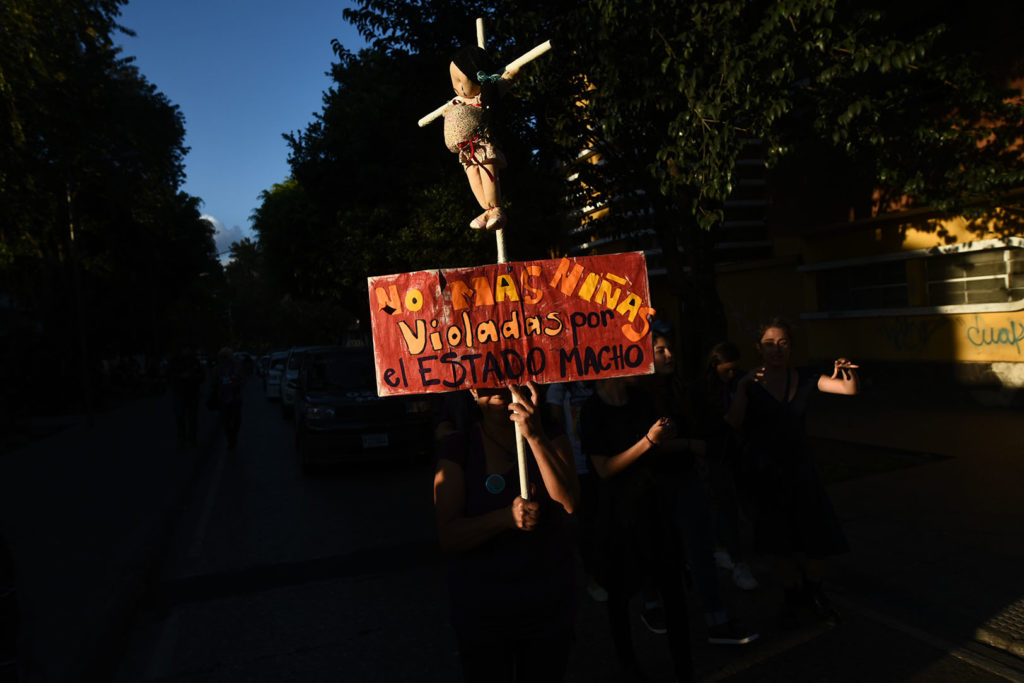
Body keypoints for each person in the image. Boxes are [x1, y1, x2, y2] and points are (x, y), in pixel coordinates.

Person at [433, 382, 578, 683]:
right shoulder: (458, 448)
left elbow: (569, 502)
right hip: (483, 609)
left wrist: (534, 435)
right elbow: (449, 535)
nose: (499, 387)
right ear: (472, 392)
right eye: (486, 379)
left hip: (547, 603)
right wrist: (504, 519)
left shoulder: (551, 436)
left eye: (509, 375)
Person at [725, 317, 860, 626]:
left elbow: (848, 390)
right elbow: (732, 422)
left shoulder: (807, 376)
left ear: (791, 348)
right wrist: (743, 389)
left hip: (802, 472)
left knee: (818, 540)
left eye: (783, 343)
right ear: (759, 348)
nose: (776, 349)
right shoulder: (749, 382)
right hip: (767, 475)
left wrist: (848, 370)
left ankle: (813, 592)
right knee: (779, 544)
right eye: (770, 344)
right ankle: (793, 597)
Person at [642, 331, 758, 645]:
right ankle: (652, 603)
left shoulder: (681, 389)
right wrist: (690, 444)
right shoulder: (640, 395)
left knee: (701, 549)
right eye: (660, 350)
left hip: (687, 477)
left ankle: (716, 620)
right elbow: (648, 446)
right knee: (659, 551)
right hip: (655, 483)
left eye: (670, 349)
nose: (669, 355)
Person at [580, 375, 693, 682]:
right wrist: (649, 441)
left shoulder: (641, 399)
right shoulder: (592, 409)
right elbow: (604, 469)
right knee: (620, 594)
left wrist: (671, 438)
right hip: (618, 514)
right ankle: (628, 665)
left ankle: (684, 666)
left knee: (673, 589)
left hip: (654, 506)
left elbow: (658, 447)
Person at [687, 341, 759, 591]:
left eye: (734, 370)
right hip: (714, 454)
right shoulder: (704, 390)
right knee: (724, 505)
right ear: (714, 365)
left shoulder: (733, 383)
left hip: (736, 453)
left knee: (738, 503)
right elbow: (728, 421)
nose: (731, 375)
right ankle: (735, 559)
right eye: (726, 370)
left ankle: (727, 549)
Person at [443, 46, 518, 231]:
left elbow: (504, 82)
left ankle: (496, 209)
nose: (456, 86)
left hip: (481, 143)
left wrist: (509, 77)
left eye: (460, 81)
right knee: (473, 178)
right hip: (465, 150)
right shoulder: (458, 101)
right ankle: (486, 210)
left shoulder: (484, 96)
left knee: (487, 174)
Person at [544, 381, 606, 602]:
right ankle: (593, 577)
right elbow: (556, 425)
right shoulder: (559, 388)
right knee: (587, 525)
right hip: (579, 463)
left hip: (602, 459)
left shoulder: (599, 381)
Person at [208, 347, 244, 452]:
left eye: (226, 357)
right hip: (225, 398)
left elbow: (242, 380)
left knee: (233, 420)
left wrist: (234, 383)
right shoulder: (217, 369)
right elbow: (213, 383)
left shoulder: (236, 367)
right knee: (227, 421)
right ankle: (231, 438)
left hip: (234, 396)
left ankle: (232, 437)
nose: (225, 359)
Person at [168, 345, 203, 448]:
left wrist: (192, 377)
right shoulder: (174, 362)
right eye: (184, 349)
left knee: (192, 418)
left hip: (192, 393)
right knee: (180, 417)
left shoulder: (195, 361)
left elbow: (202, 376)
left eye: (188, 349)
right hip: (179, 392)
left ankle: (192, 439)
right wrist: (180, 377)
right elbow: (169, 376)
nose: (186, 351)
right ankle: (181, 438)